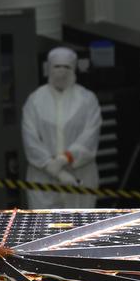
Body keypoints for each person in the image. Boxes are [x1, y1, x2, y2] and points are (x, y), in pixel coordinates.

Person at [21, 47, 101, 209]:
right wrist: (55, 170)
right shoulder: (35, 100)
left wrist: (65, 158)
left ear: (74, 69)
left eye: (67, 67)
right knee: (45, 229)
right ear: (48, 68)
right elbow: (31, 140)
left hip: (79, 177)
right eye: (57, 67)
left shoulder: (87, 99)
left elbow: (90, 136)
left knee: (80, 229)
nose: (62, 72)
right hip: (43, 180)